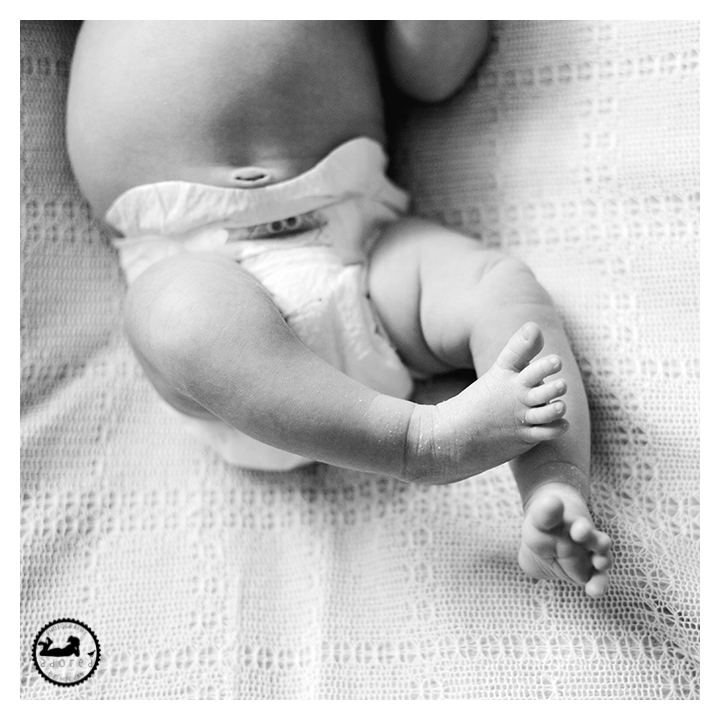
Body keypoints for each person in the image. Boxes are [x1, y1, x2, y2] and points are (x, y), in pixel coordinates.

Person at [66, 21, 613, 597]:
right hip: (194, 254)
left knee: (500, 288)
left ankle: (553, 480)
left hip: (360, 240)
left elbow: (433, 72)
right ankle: (420, 443)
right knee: (182, 315)